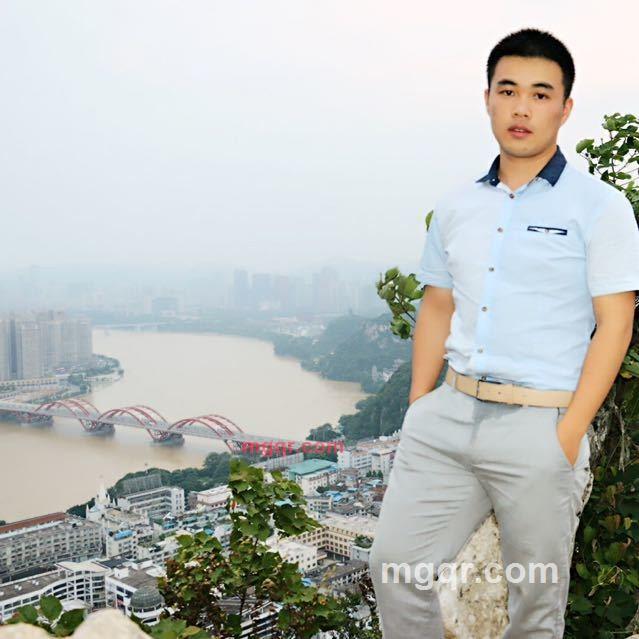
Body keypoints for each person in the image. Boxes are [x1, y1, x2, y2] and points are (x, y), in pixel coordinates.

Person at [368, 27, 639, 638]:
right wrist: (419, 405)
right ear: (487, 98)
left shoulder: (599, 207)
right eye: (508, 90)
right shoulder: (457, 207)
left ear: (565, 108)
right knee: (395, 569)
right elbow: (437, 305)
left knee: (534, 607)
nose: (522, 108)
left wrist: (567, 433)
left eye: (541, 94)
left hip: (541, 425)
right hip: (448, 416)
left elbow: (615, 324)